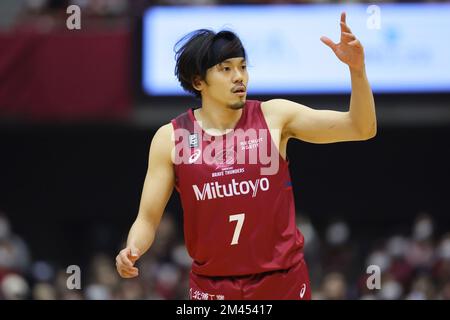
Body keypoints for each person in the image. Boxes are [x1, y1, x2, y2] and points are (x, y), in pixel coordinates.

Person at [115, 12, 376, 300]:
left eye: (242, 67)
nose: (239, 76)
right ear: (199, 81)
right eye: (225, 69)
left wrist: (358, 70)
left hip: (282, 282)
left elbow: (361, 128)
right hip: (212, 287)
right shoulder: (171, 138)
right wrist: (133, 248)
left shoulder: (275, 116)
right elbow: (147, 219)